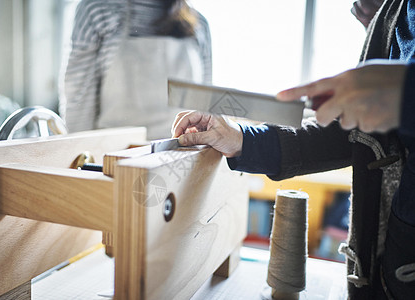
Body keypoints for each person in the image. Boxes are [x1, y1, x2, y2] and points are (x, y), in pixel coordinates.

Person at [171, 1, 415, 299]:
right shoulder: (394, 14)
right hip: (387, 264)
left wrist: (405, 93)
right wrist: (242, 139)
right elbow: (351, 134)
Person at [59, 0, 212, 140]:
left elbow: (204, 106)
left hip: (180, 158)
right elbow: (79, 98)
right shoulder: (97, 9)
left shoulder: (198, 23)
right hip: (114, 159)